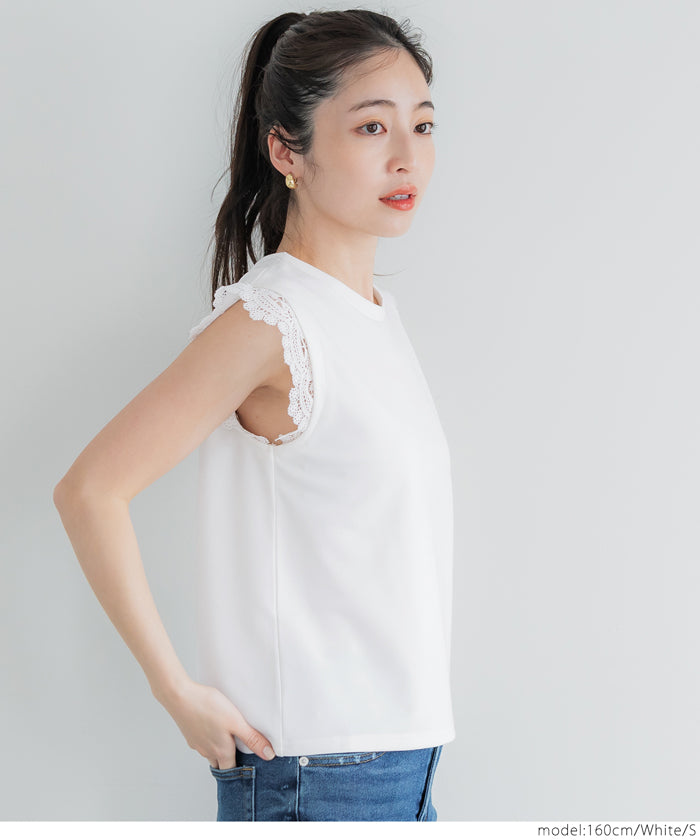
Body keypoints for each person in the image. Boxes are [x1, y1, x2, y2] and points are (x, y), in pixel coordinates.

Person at [54, 8, 455, 822]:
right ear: (286, 151)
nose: (406, 157)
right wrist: (175, 691)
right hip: (316, 768)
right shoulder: (272, 319)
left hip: (405, 757)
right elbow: (90, 491)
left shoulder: (376, 317)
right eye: (371, 127)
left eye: (422, 125)